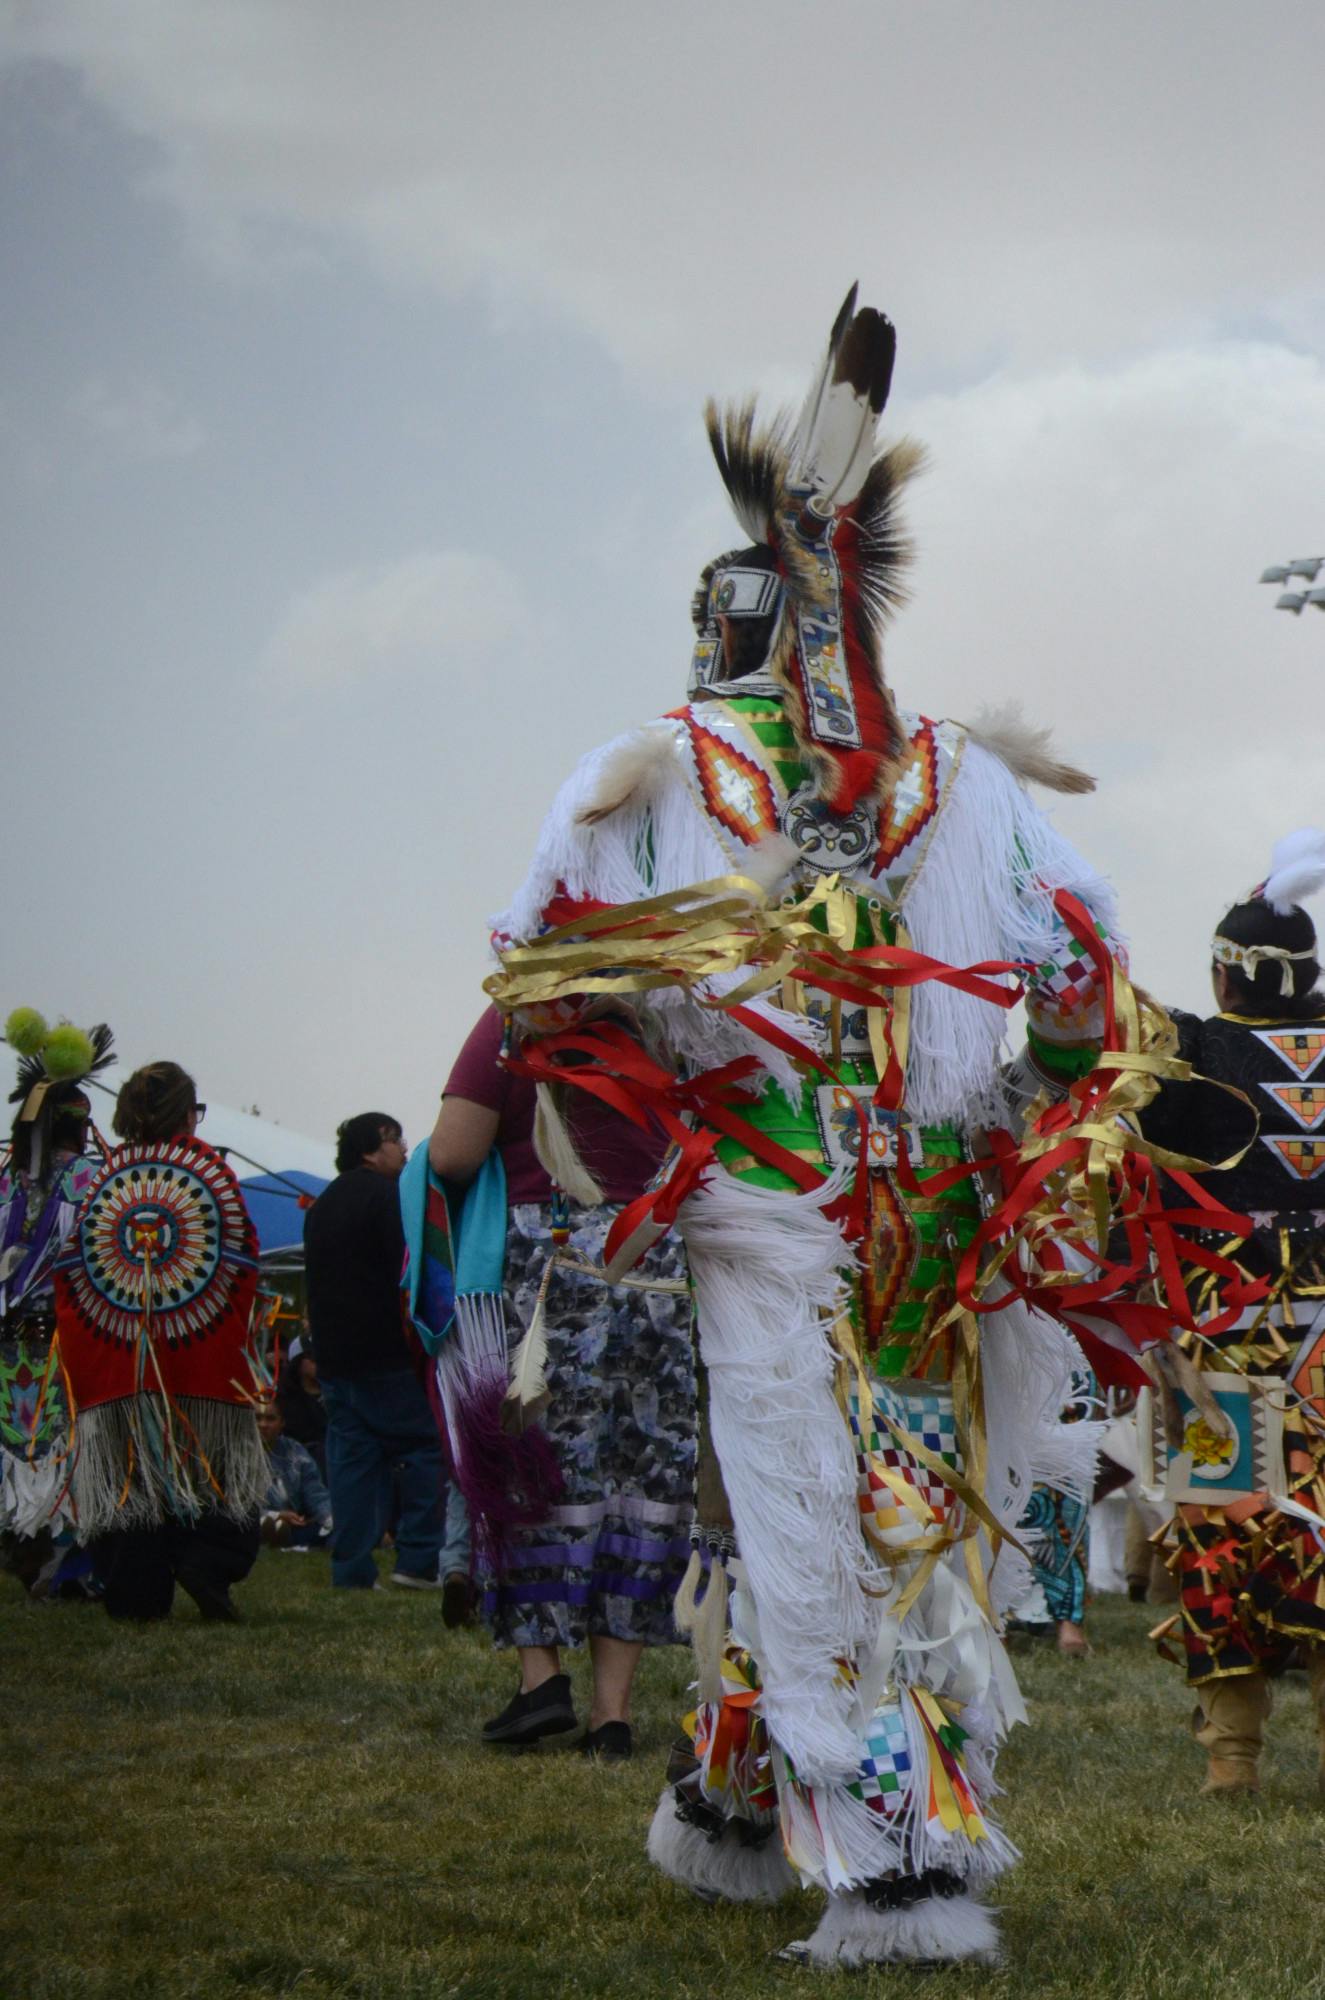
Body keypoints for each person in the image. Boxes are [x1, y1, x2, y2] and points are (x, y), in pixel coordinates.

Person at [481, 290, 1153, 1966]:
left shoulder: (649, 777)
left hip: (776, 1212)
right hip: (922, 1214)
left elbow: (543, 992)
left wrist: (658, 1156)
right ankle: (739, 1806)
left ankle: (900, 1876)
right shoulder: (957, 783)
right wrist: (1012, 1124)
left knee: (816, 1511)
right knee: (893, 1501)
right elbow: (1087, 988)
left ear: (714, 632)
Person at [429, 1004, 694, 1758]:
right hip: (656, 1258)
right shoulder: (669, 1013)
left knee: (537, 1465)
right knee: (639, 1472)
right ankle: (611, 1714)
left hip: (550, 1263)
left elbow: (452, 1153)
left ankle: (539, 1678)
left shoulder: (519, 1015)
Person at [1139, 831, 1325, 1795]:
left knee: (1219, 1526)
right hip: (1323, 1350)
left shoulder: (1189, 1051)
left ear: (1226, 971)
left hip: (1217, 1337)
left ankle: (1231, 1760)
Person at [53, 1060, 264, 1621]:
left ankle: (135, 1593)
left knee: (130, 1470)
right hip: (197, 1356)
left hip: (114, 1356)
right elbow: (242, 1260)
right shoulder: (209, 1173)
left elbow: (72, 1271)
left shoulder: (101, 1179)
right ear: (186, 1115)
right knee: (210, 1465)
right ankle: (206, 1557)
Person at [303, 1112, 446, 1591]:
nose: (404, 1150)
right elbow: (407, 1275)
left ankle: (352, 1570)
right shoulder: (388, 1198)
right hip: (385, 1355)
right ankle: (418, 1560)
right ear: (369, 1150)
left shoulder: (322, 1204)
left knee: (352, 1465)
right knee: (425, 1448)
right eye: (394, 1140)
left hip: (334, 1359)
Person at [0, 1010, 112, 1593]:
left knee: (17, 1443)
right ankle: (65, 1562)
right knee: (66, 1446)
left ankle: (27, 1546)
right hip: (69, 1343)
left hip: (9, 1342)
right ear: (79, 1127)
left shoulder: (4, 1180)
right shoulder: (97, 1182)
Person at [258, 1396, 332, 1547]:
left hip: (295, 1523)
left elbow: (315, 1493)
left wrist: (328, 1517)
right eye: (257, 1418)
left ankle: (281, 1537)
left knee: (332, 1528)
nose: (263, 1424)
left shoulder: (295, 1451)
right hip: (255, 1520)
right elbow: (237, 1506)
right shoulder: (237, 1454)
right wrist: (277, 1515)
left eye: (270, 1419)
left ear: (282, 1423)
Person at [276, 1335, 328, 1477]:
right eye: (311, 1357)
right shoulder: (285, 1400)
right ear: (297, 1361)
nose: (317, 1362)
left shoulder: (335, 1394)